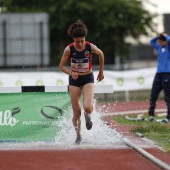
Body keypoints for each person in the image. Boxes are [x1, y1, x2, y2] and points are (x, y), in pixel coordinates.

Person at [59, 20, 104, 144]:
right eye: (77, 41)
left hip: (88, 77)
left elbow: (101, 54)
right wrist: (70, 72)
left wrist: (101, 72)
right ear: (73, 39)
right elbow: (61, 66)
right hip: (74, 80)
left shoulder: (90, 47)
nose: (79, 44)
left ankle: (88, 115)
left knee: (87, 107)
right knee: (76, 113)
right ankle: (78, 136)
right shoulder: (69, 49)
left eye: (82, 41)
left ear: (85, 39)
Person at [148, 32, 170, 123]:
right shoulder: (159, 48)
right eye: (159, 42)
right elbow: (152, 41)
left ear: (165, 41)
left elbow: (169, 40)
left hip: (167, 74)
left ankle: (168, 117)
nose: (159, 43)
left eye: (161, 42)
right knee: (153, 95)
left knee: (168, 96)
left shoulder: (168, 48)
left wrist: (166, 36)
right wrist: (159, 36)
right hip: (158, 74)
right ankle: (151, 115)